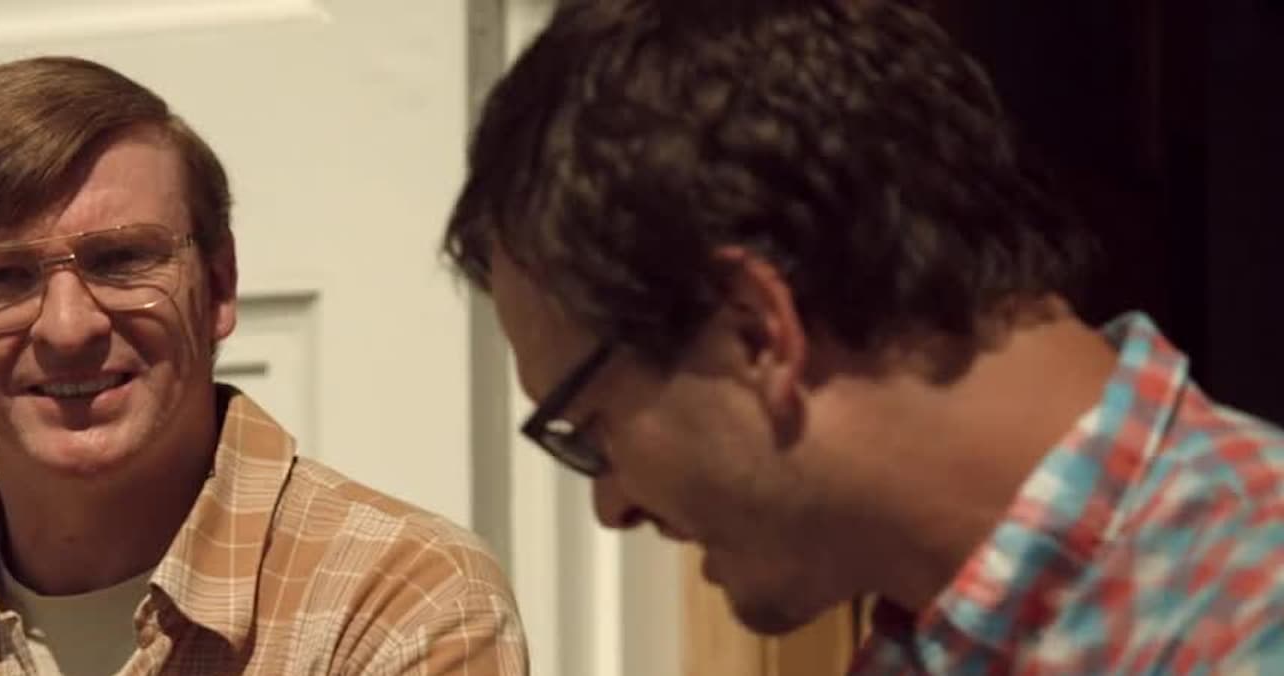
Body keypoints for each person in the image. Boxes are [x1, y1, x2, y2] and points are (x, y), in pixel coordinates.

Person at [445, 0, 1284, 672]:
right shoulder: (939, 635)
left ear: (755, 330)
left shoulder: (1250, 619)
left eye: (591, 432)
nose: (612, 507)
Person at [0, 56, 526, 674]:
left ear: (219, 287)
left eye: (121, 260)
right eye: (4, 277)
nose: (68, 327)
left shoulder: (397, 600)